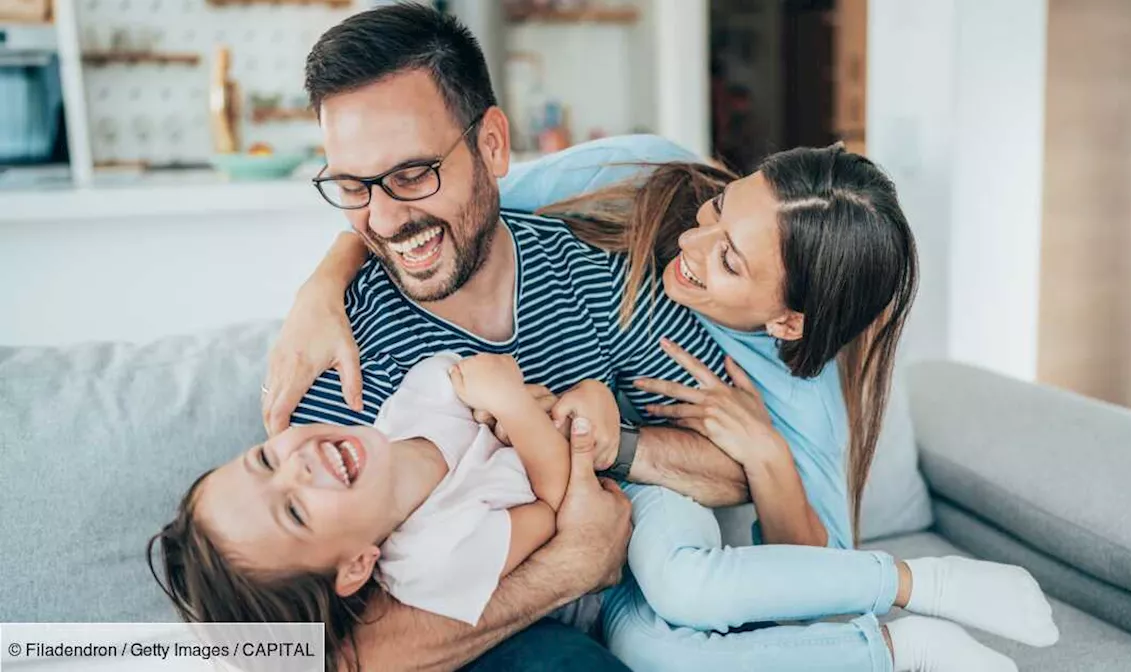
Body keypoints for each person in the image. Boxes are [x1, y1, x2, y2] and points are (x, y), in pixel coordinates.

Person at [273, 139, 1061, 671]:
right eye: (719, 213)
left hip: (658, 542)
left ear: (788, 319)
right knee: (662, 652)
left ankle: (911, 628)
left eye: (726, 260)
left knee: (687, 613)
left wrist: (764, 459)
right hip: (609, 557)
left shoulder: (803, 400)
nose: (688, 246)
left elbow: (814, 590)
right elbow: (447, 205)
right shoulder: (647, 177)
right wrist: (321, 286)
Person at [245, 4, 743, 671]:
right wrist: (568, 565)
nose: (386, 219)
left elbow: (734, 465)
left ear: (493, 145)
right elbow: (327, 657)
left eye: (413, 173)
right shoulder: (341, 360)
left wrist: (608, 446)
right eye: (352, 186)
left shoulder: (594, 280)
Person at [150, 352, 621, 671]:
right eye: (294, 512)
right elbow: (559, 511)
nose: (299, 465)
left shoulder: (417, 396)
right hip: (610, 577)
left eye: (266, 460)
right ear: (357, 565)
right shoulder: (434, 558)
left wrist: (583, 399)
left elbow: (515, 383)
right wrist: (514, 407)